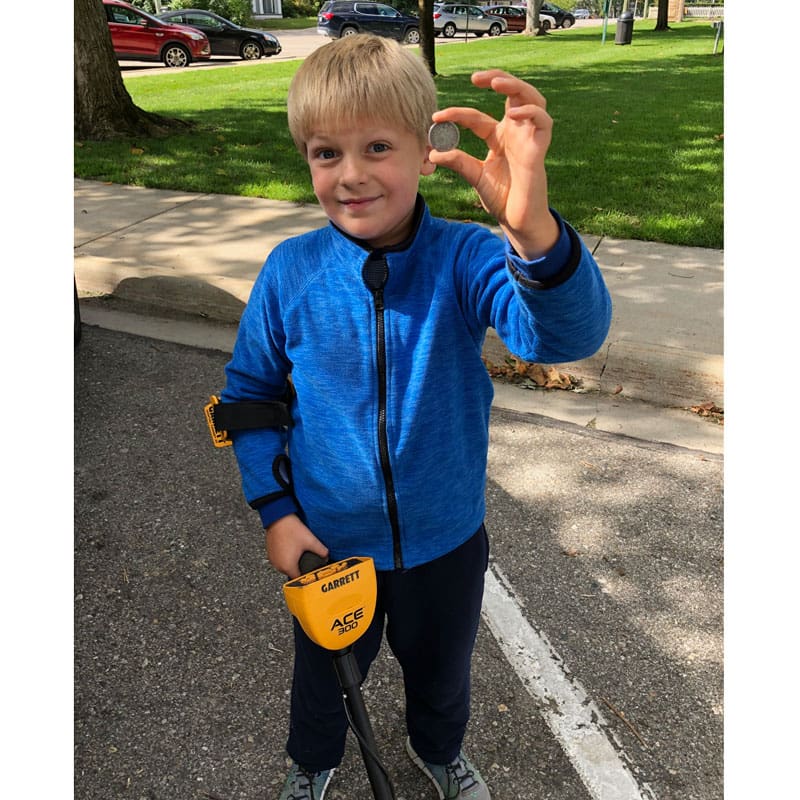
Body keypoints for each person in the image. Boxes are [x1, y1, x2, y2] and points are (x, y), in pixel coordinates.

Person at [219, 33, 611, 800]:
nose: (351, 173)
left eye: (377, 147)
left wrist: (531, 229)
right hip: (330, 545)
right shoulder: (291, 271)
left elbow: (563, 338)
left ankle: (439, 751)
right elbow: (251, 397)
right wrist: (276, 510)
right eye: (327, 153)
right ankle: (312, 761)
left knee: (442, 672)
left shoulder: (465, 259)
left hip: (445, 541)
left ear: (427, 148)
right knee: (325, 678)